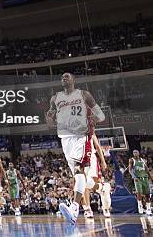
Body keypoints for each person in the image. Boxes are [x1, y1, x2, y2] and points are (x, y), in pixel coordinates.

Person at [46, 72, 105, 224]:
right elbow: (50, 118)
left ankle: (74, 208)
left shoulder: (84, 95)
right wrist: (49, 119)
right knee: (81, 177)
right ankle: (101, 187)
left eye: (67, 76)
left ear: (73, 80)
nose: (63, 78)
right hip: (66, 139)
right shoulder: (55, 98)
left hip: (81, 136)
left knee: (79, 171)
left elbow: (101, 116)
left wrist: (91, 119)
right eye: (62, 77)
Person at [129, 149, 152, 216]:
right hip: (137, 179)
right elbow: (130, 170)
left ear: (139, 153)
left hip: (145, 178)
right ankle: (140, 206)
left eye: (136, 152)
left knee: (147, 194)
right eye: (134, 152)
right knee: (139, 193)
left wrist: (151, 178)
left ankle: (148, 208)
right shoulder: (131, 160)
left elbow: (147, 170)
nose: (135, 153)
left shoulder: (143, 160)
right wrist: (134, 176)